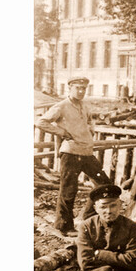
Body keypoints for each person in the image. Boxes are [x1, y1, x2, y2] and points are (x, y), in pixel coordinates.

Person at [36, 76, 113, 235]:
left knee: (104, 184)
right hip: (70, 152)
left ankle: (86, 217)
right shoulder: (61, 106)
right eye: (78, 88)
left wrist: (90, 129)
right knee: (68, 189)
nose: (81, 91)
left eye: (83, 88)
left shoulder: (84, 106)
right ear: (69, 88)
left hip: (86, 152)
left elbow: (90, 121)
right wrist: (61, 132)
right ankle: (64, 226)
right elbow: (41, 122)